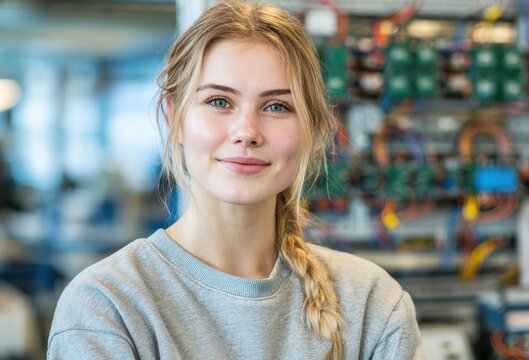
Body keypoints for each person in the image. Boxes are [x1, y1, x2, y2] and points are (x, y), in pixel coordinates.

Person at [47, 1, 425, 359]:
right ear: (172, 116)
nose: (247, 131)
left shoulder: (372, 305)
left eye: (277, 106)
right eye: (219, 102)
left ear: (313, 126)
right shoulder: (108, 306)